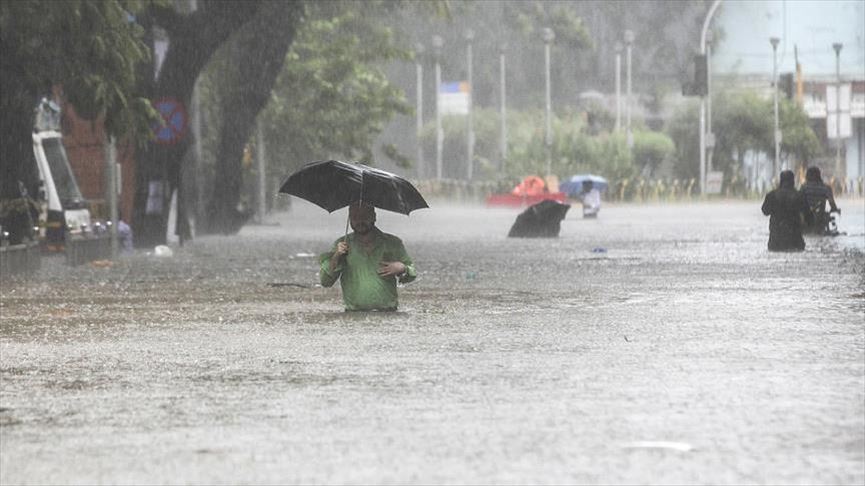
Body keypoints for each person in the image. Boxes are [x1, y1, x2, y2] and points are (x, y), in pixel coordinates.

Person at [319, 202, 416, 311]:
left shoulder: (392, 243)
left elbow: (412, 273)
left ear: (374, 217)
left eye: (364, 216)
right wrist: (336, 256)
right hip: (353, 315)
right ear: (349, 219)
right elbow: (325, 282)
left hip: (388, 314)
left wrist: (402, 268)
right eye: (355, 217)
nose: (360, 221)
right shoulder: (342, 244)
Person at [761, 170, 813, 252]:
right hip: (795, 240)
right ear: (793, 181)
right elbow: (809, 218)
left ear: (781, 181)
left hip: (775, 241)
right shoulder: (799, 196)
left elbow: (765, 211)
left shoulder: (771, 195)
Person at [799, 166, 840, 235]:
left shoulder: (804, 187)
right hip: (820, 217)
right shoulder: (826, 188)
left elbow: (799, 202)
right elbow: (832, 204)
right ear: (819, 175)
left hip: (806, 217)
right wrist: (835, 209)